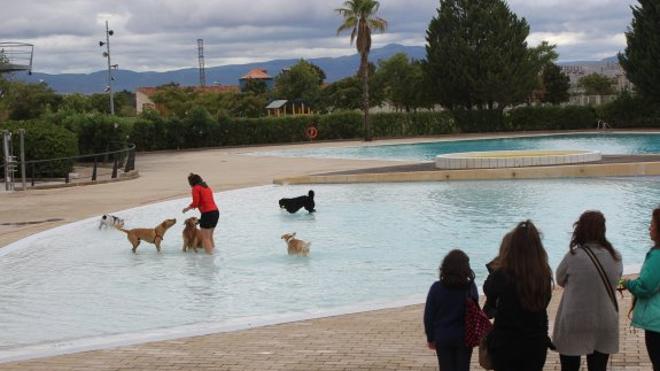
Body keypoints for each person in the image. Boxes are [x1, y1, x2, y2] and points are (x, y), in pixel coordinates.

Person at [552, 210, 623, 371]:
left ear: (580, 229)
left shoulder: (573, 256)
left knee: (569, 367)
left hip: (575, 320)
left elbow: (560, 279)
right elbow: (616, 279)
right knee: (598, 368)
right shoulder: (616, 256)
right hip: (605, 320)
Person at [483, 220, 553, 371]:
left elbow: (488, 291)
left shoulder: (502, 275)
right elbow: (545, 302)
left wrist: (498, 264)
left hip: (505, 343)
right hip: (536, 342)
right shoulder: (543, 275)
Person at [424, 249, 479, 371]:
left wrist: (430, 337)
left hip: (442, 336)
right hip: (464, 336)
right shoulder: (470, 287)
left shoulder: (436, 288)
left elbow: (428, 316)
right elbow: (475, 310)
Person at [622, 207, 660, 371]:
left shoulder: (657, 256)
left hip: (657, 323)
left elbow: (644, 287)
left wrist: (628, 284)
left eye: (652, 224)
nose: (649, 227)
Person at [182, 173, 219, 254]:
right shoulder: (207, 187)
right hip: (215, 212)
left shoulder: (196, 188)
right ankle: (214, 254)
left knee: (205, 238)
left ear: (191, 182)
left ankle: (209, 259)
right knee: (210, 236)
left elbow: (195, 203)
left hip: (207, 214)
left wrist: (187, 208)